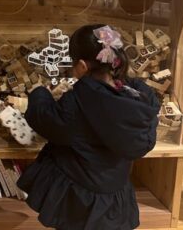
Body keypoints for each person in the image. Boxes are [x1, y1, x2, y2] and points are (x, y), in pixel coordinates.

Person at [17, 24, 160, 230]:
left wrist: (40, 93)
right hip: (115, 190)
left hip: (81, 194)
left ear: (82, 66)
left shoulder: (77, 102)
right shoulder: (140, 96)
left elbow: (46, 121)